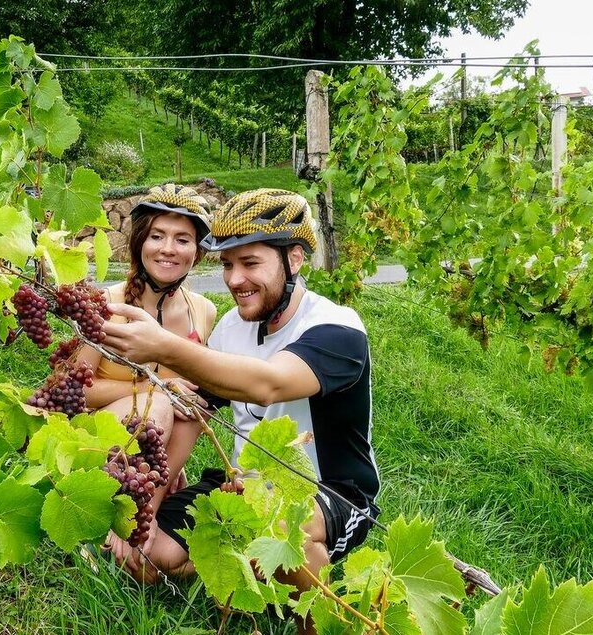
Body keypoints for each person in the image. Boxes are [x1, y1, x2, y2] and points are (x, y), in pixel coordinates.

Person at [99, 188, 380, 603]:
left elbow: (269, 383)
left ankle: (317, 620)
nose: (233, 280)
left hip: (329, 492)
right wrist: (145, 514)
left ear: (295, 259)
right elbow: (194, 413)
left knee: (277, 526)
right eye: (227, 264)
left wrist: (162, 346)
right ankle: (244, 558)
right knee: (148, 557)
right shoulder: (231, 327)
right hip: (243, 486)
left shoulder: (336, 328)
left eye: (250, 263)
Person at [74, 183, 217, 555]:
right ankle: (122, 519)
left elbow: (193, 406)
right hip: (94, 438)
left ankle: (143, 514)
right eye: (157, 235)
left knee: (194, 402)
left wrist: (164, 467)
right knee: (160, 405)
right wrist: (156, 391)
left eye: (183, 239)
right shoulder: (107, 303)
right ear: (140, 242)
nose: (169, 249)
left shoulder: (204, 310)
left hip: (150, 455)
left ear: (196, 252)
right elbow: (76, 394)